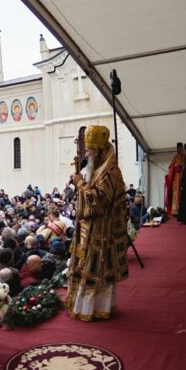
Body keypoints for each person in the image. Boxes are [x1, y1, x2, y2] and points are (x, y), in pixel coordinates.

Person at [65, 125, 129, 321]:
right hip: (90, 229)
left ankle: (95, 308)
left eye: (91, 149)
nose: (87, 153)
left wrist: (80, 184)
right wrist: (80, 181)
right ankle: (84, 307)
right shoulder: (97, 168)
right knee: (86, 267)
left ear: (100, 150)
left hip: (103, 230)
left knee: (95, 270)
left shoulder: (111, 172)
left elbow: (99, 202)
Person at [165, 142, 184, 217]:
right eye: (177, 148)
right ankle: (175, 211)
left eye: (180, 148)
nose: (179, 149)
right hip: (176, 178)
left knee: (182, 193)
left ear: (182, 148)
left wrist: (181, 165)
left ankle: (182, 210)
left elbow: (185, 165)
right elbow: (170, 166)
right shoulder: (175, 157)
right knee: (175, 194)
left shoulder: (184, 156)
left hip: (182, 176)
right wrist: (174, 166)